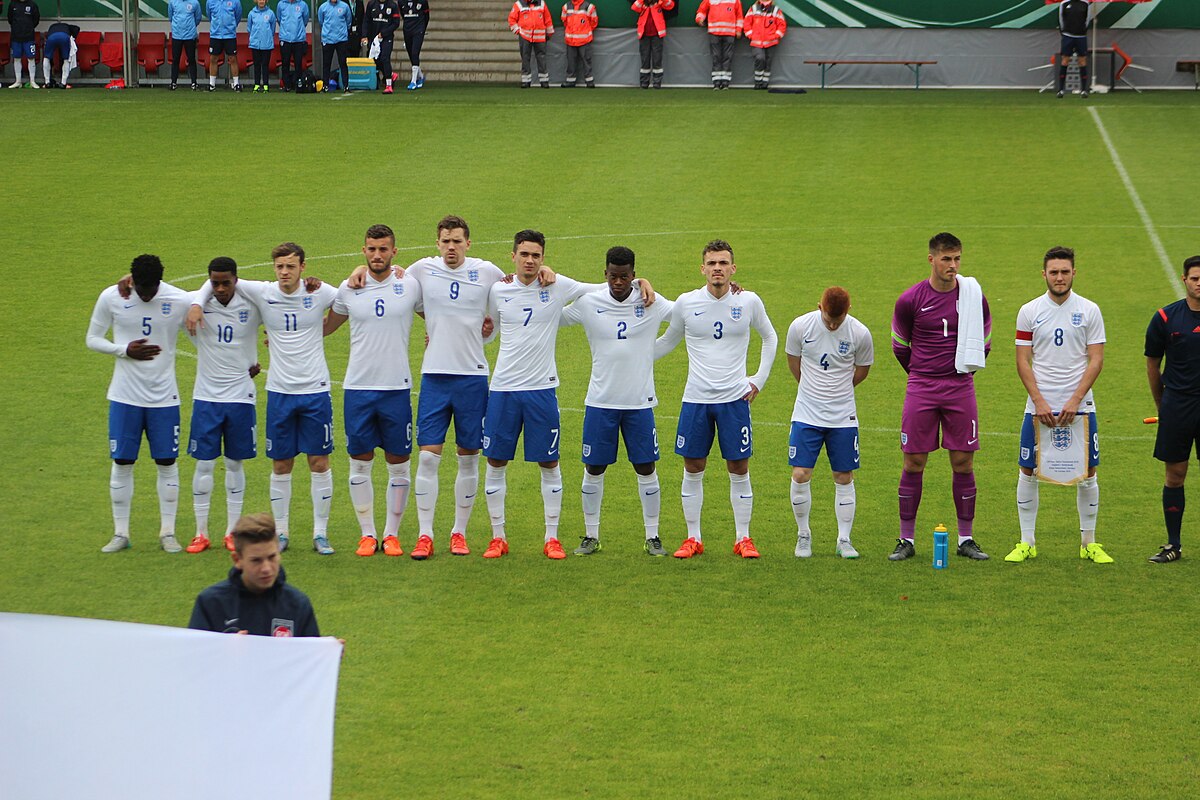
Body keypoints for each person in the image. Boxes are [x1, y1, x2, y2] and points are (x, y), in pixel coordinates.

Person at [482, 231, 654, 560]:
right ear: (513, 256)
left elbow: (605, 288)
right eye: (524, 254)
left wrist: (639, 282)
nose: (529, 260)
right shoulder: (498, 289)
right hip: (503, 388)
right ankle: (497, 536)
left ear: (543, 257)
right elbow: (490, 332)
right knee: (496, 461)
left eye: (536, 255)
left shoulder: (558, 285)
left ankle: (552, 537)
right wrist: (484, 334)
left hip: (542, 389)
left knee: (549, 462)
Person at [349, 216, 506, 560]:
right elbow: (395, 287)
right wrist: (359, 270)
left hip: (473, 377)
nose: (451, 247)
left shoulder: (488, 272)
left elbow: (500, 311)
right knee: (428, 458)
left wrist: (482, 332)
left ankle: (459, 533)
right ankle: (425, 535)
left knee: (468, 459)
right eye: (445, 241)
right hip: (434, 377)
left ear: (468, 243)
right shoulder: (421, 270)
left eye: (457, 241)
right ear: (437, 243)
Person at [188, 243, 340, 555]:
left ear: (302, 267)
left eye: (291, 267)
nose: (285, 272)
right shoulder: (263, 292)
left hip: (315, 390)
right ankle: (281, 533)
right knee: (281, 463)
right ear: (274, 268)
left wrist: (362, 273)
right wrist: (196, 303)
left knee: (319, 462)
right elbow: (215, 279)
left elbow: (353, 296)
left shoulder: (321, 292)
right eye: (280, 266)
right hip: (280, 391)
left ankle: (320, 534)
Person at [654, 240, 777, 559]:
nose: (718, 268)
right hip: (696, 399)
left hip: (734, 399)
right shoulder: (686, 302)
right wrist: (633, 356)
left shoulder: (748, 301)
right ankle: (693, 537)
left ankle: (743, 538)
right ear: (703, 268)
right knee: (693, 466)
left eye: (723, 263)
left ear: (733, 268)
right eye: (712, 263)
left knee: (739, 467)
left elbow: (769, 336)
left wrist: (758, 380)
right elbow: (668, 340)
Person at [560, 246, 674, 556]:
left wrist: (653, 352)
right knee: (594, 467)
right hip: (600, 402)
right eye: (613, 276)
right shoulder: (588, 302)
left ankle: (652, 536)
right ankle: (590, 535)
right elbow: (550, 319)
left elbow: (685, 316)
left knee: (646, 467)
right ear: (605, 275)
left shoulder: (651, 301)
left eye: (625, 277)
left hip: (639, 403)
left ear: (634, 276)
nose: (619, 282)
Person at [890, 232, 991, 562]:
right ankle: (906, 539)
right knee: (914, 461)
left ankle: (966, 538)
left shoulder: (973, 295)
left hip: (960, 387)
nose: (953, 265)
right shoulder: (911, 299)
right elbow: (899, 346)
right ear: (931, 259)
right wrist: (922, 373)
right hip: (921, 386)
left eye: (957, 258)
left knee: (963, 461)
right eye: (946, 259)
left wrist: (962, 370)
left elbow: (984, 339)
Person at [324, 225, 421, 557]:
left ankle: (391, 534)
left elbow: (436, 316)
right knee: (360, 461)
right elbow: (325, 326)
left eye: (383, 249)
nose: (377, 255)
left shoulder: (409, 285)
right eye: (371, 249)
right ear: (363, 251)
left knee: (399, 462)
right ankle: (368, 534)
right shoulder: (348, 289)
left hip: (397, 388)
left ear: (394, 251)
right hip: (358, 388)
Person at [1006, 247, 1107, 563]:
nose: (1059, 277)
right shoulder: (1029, 311)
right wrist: (1038, 400)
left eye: (1065, 271)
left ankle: (1088, 543)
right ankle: (1027, 542)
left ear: (1074, 272)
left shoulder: (1090, 310)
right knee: (1028, 469)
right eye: (1054, 272)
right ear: (1044, 274)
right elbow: (1023, 360)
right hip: (1038, 407)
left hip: (1081, 407)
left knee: (1088, 471)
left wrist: (1075, 399)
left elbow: (1096, 358)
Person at [86, 255, 193, 553]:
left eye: (151, 289)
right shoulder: (112, 296)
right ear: (132, 280)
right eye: (141, 289)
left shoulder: (179, 299)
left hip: (164, 398)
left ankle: (168, 533)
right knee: (122, 462)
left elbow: (213, 295)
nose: (146, 295)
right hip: (124, 397)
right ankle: (120, 533)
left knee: (167, 462)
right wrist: (123, 350)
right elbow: (92, 339)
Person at [784, 287, 872, 559]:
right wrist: (812, 391)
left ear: (848, 310)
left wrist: (838, 392)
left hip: (843, 417)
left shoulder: (860, 333)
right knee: (800, 473)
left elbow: (862, 370)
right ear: (819, 306)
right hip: (806, 414)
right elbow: (793, 361)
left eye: (838, 320)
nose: (833, 325)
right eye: (828, 319)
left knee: (843, 476)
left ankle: (844, 540)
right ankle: (803, 535)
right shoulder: (800, 326)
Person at [183, 258, 263, 555]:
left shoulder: (252, 304)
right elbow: (162, 292)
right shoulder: (196, 304)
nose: (219, 289)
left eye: (225, 282)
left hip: (241, 396)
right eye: (214, 283)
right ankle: (200, 532)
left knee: (234, 463)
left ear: (236, 280)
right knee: (203, 464)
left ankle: (232, 532)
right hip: (206, 398)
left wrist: (251, 361)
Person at [1145, 255, 1200, 563]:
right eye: (1194, 278)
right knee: (1175, 474)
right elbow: (1152, 364)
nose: (1199, 283)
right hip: (1178, 404)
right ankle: (1173, 544)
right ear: (1184, 281)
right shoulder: (1165, 318)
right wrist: (1162, 403)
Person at [188, 513, 320, 636]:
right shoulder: (211, 603)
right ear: (237, 560)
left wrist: (328, 653)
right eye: (256, 560)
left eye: (272, 557)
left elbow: (310, 658)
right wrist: (225, 650)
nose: (266, 568)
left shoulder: (297, 604)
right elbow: (194, 656)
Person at [695, 0, 741, 90]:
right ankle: (716, 83)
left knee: (727, 57)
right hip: (714, 32)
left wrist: (739, 29)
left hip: (729, 33)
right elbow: (701, 11)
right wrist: (699, 19)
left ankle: (725, 83)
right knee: (716, 57)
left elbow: (739, 16)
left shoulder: (735, 1)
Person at [509, 0, 553, 89]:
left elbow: (547, 18)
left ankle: (544, 81)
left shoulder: (542, 3)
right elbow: (511, 19)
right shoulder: (519, 4)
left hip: (540, 36)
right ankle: (526, 81)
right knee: (525, 57)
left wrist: (549, 33)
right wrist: (517, 31)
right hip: (525, 36)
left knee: (541, 58)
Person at [744, 0, 785, 90]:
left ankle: (765, 83)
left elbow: (782, 25)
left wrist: (776, 36)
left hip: (771, 42)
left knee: (768, 62)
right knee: (760, 58)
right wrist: (751, 35)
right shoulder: (753, 9)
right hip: (757, 42)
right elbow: (747, 23)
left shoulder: (776, 10)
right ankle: (758, 82)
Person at [631, 0, 673, 89]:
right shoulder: (643, 5)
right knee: (645, 59)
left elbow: (670, 5)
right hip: (644, 35)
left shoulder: (659, 4)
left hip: (657, 35)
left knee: (657, 59)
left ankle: (657, 83)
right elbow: (634, 7)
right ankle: (644, 83)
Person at [361, 0, 400, 92]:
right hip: (373, 38)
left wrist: (384, 33)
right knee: (374, 60)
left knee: (385, 58)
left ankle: (388, 85)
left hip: (387, 38)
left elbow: (396, 23)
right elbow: (366, 21)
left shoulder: (393, 5)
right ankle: (391, 74)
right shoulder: (371, 4)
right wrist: (364, 36)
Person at [206, 0, 243, 91]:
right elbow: (209, 16)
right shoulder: (210, 2)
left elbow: (238, 16)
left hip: (230, 35)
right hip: (215, 35)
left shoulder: (235, 1)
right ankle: (212, 84)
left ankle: (236, 84)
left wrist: (231, 27)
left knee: (232, 58)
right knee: (213, 58)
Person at [1057, 0, 1091, 99]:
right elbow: (1061, 19)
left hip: (1081, 36)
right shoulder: (1064, 3)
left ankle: (1084, 90)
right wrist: (1064, 32)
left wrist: (1082, 31)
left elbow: (1087, 20)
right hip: (1068, 36)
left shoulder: (1085, 4)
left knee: (1082, 61)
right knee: (1065, 60)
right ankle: (1061, 90)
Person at [560, 0, 597, 88]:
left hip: (585, 40)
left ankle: (589, 81)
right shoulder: (566, 7)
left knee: (586, 60)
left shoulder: (589, 7)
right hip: (570, 40)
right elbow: (564, 21)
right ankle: (570, 81)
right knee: (571, 61)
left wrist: (585, 31)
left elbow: (594, 22)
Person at [318, 0, 353, 92]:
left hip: (341, 39)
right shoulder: (323, 7)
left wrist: (343, 32)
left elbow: (348, 21)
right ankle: (325, 85)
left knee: (343, 63)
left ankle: (346, 86)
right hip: (327, 39)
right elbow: (321, 21)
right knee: (326, 63)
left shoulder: (345, 6)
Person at [167, 0, 202, 90]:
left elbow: (198, 18)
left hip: (190, 36)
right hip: (177, 35)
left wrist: (191, 26)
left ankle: (194, 83)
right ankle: (173, 82)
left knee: (191, 59)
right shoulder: (172, 2)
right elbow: (170, 17)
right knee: (175, 60)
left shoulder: (195, 3)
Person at [7, 0, 41, 89]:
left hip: (29, 37)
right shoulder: (13, 4)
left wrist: (28, 27)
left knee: (31, 58)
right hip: (16, 36)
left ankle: (32, 81)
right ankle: (18, 81)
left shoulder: (32, 5)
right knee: (17, 58)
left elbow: (36, 20)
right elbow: (10, 19)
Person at [278, 0, 310, 91]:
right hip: (285, 39)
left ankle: (298, 84)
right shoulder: (281, 4)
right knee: (285, 63)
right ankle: (287, 85)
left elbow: (305, 20)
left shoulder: (303, 5)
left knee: (298, 63)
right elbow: (280, 19)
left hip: (299, 40)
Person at [247, 0, 277, 92]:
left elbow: (272, 28)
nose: (261, 2)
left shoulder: (270, 13)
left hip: (266, 44)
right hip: (255, 44)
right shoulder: (251, 13)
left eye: (263, 0)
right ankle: (256, 84)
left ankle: (265, 85)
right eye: (259, 0)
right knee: (256, 65)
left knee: (265, 65)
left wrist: (267, 37)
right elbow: (249, 28)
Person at [41, 20, 79, 89]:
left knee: (46, 58)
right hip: (64, 37)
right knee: (66, 59)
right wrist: (73, 37)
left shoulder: (52, 26)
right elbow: (77, 28)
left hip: (51, 37)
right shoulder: (67, 26)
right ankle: (63, 83)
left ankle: (47, 83)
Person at [399, 0, 428, 89]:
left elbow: (427, 16)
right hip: (407, 30)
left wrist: (423, 29)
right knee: (411, 54)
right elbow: (403, 15)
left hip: (418, 29)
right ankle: (421, 76)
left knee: (415, 53)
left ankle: (413, 81)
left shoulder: (422, 1)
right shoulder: (401, 2)